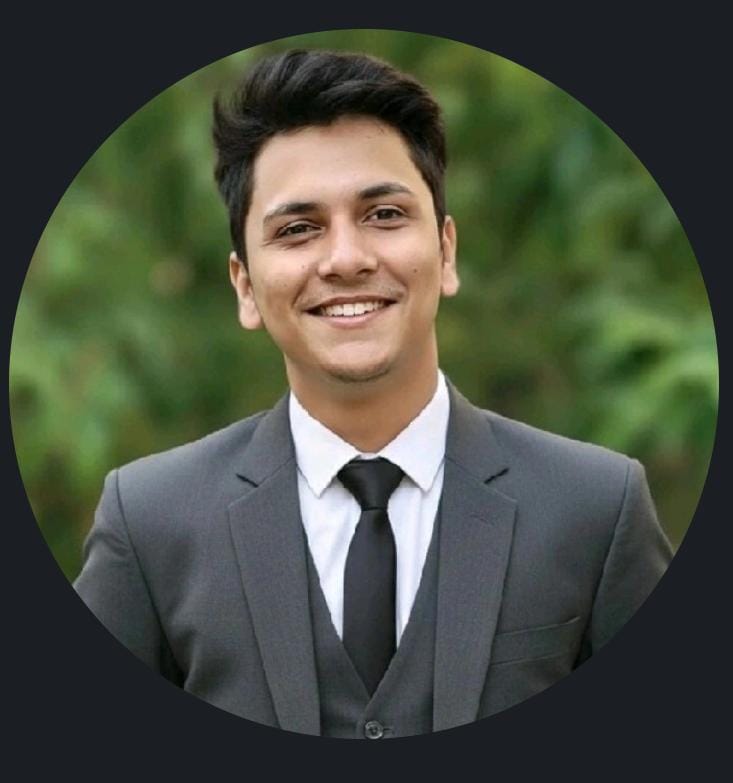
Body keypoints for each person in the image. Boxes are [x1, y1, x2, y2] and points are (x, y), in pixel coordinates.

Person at [74, 49, 672, 738]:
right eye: (297, 229)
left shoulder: (596, 510)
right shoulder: (149, 524)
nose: (346, 259)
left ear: (446, 251)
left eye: (384, 214)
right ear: (245, 286)